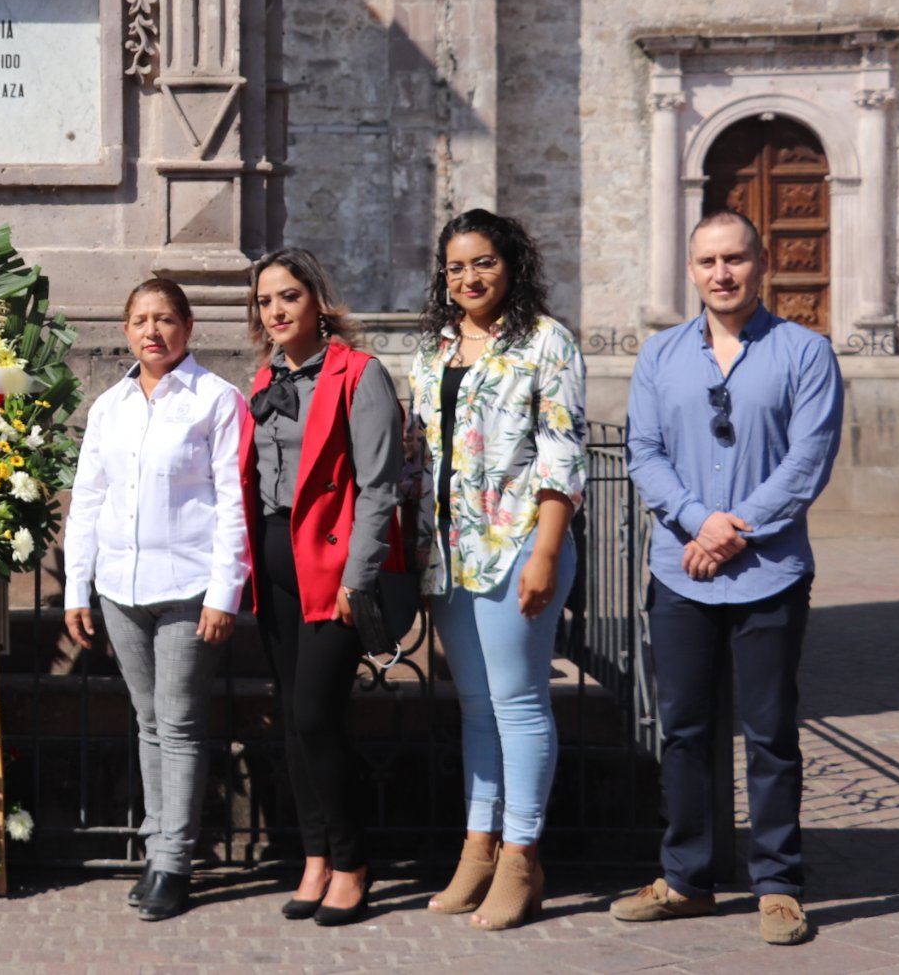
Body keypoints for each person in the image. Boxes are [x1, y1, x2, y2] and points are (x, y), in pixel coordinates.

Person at [609, 211, 842, 946]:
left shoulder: (806, 352)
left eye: (735, 258)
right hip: (682, 570)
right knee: (684, 730)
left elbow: (807, 461)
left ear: (761, 261)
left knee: (770, 732)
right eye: (708, 260)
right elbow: (643, 449)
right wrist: (694, 519)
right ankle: (687, 879)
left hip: (768, 572)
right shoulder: (659, 355)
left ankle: (778, 883)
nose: (722, 272)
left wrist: (731, 526)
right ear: (690, 269)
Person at [408, 209, 586, 932]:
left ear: (509, 262)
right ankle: (478, 848)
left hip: (518, 545)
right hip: (450, 554)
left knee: (517, 702)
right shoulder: (435, 348)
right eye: (455, 266)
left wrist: (546, 550)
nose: (468, 277)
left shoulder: (547, 341)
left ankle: (521, 857)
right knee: (477, 707)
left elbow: (562, 450)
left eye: (482, 262)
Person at [63, 277, 249, 921]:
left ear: (188, 327)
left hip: (187, 588)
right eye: (141, 319)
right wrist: (76, 587)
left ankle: (174, 861)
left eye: (166, 318)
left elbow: (232, 502)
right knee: (147, 722)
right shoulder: (110, 405)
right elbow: (88, 498)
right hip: (120, 587)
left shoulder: (216, 400)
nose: (153, 331)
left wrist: (225, 591)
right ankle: (156, 848)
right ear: (125, 330)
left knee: (179, 722)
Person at [239, 250, 405, 926]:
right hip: (274, 564)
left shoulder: (359, 375)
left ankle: (353, 860)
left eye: (289, 296)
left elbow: (378, 489)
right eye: (265, 301)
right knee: (290, 719)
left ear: (317, 300)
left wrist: (356, 581)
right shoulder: (264, 377)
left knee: (316, 715)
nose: (276, 310)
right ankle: (313, 857)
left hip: (332, 571)